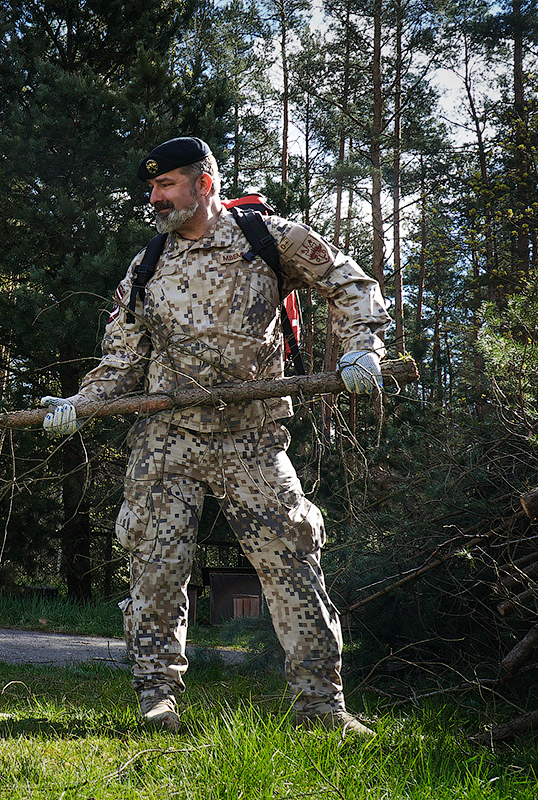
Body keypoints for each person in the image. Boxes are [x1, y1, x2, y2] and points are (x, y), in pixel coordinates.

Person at [42, 137, 390, 737]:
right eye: (151, 188)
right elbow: (122, 359)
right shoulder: (147, 265)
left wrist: (362, 348)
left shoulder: (268, 238)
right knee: (156, 567)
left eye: (166, 185)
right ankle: (157, 699)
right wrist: (81, 402)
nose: (154, 197)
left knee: (292, 561)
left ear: (204, 183)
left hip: (252, 437)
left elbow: (347, 281)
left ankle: (321, 707)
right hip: (167, 439)